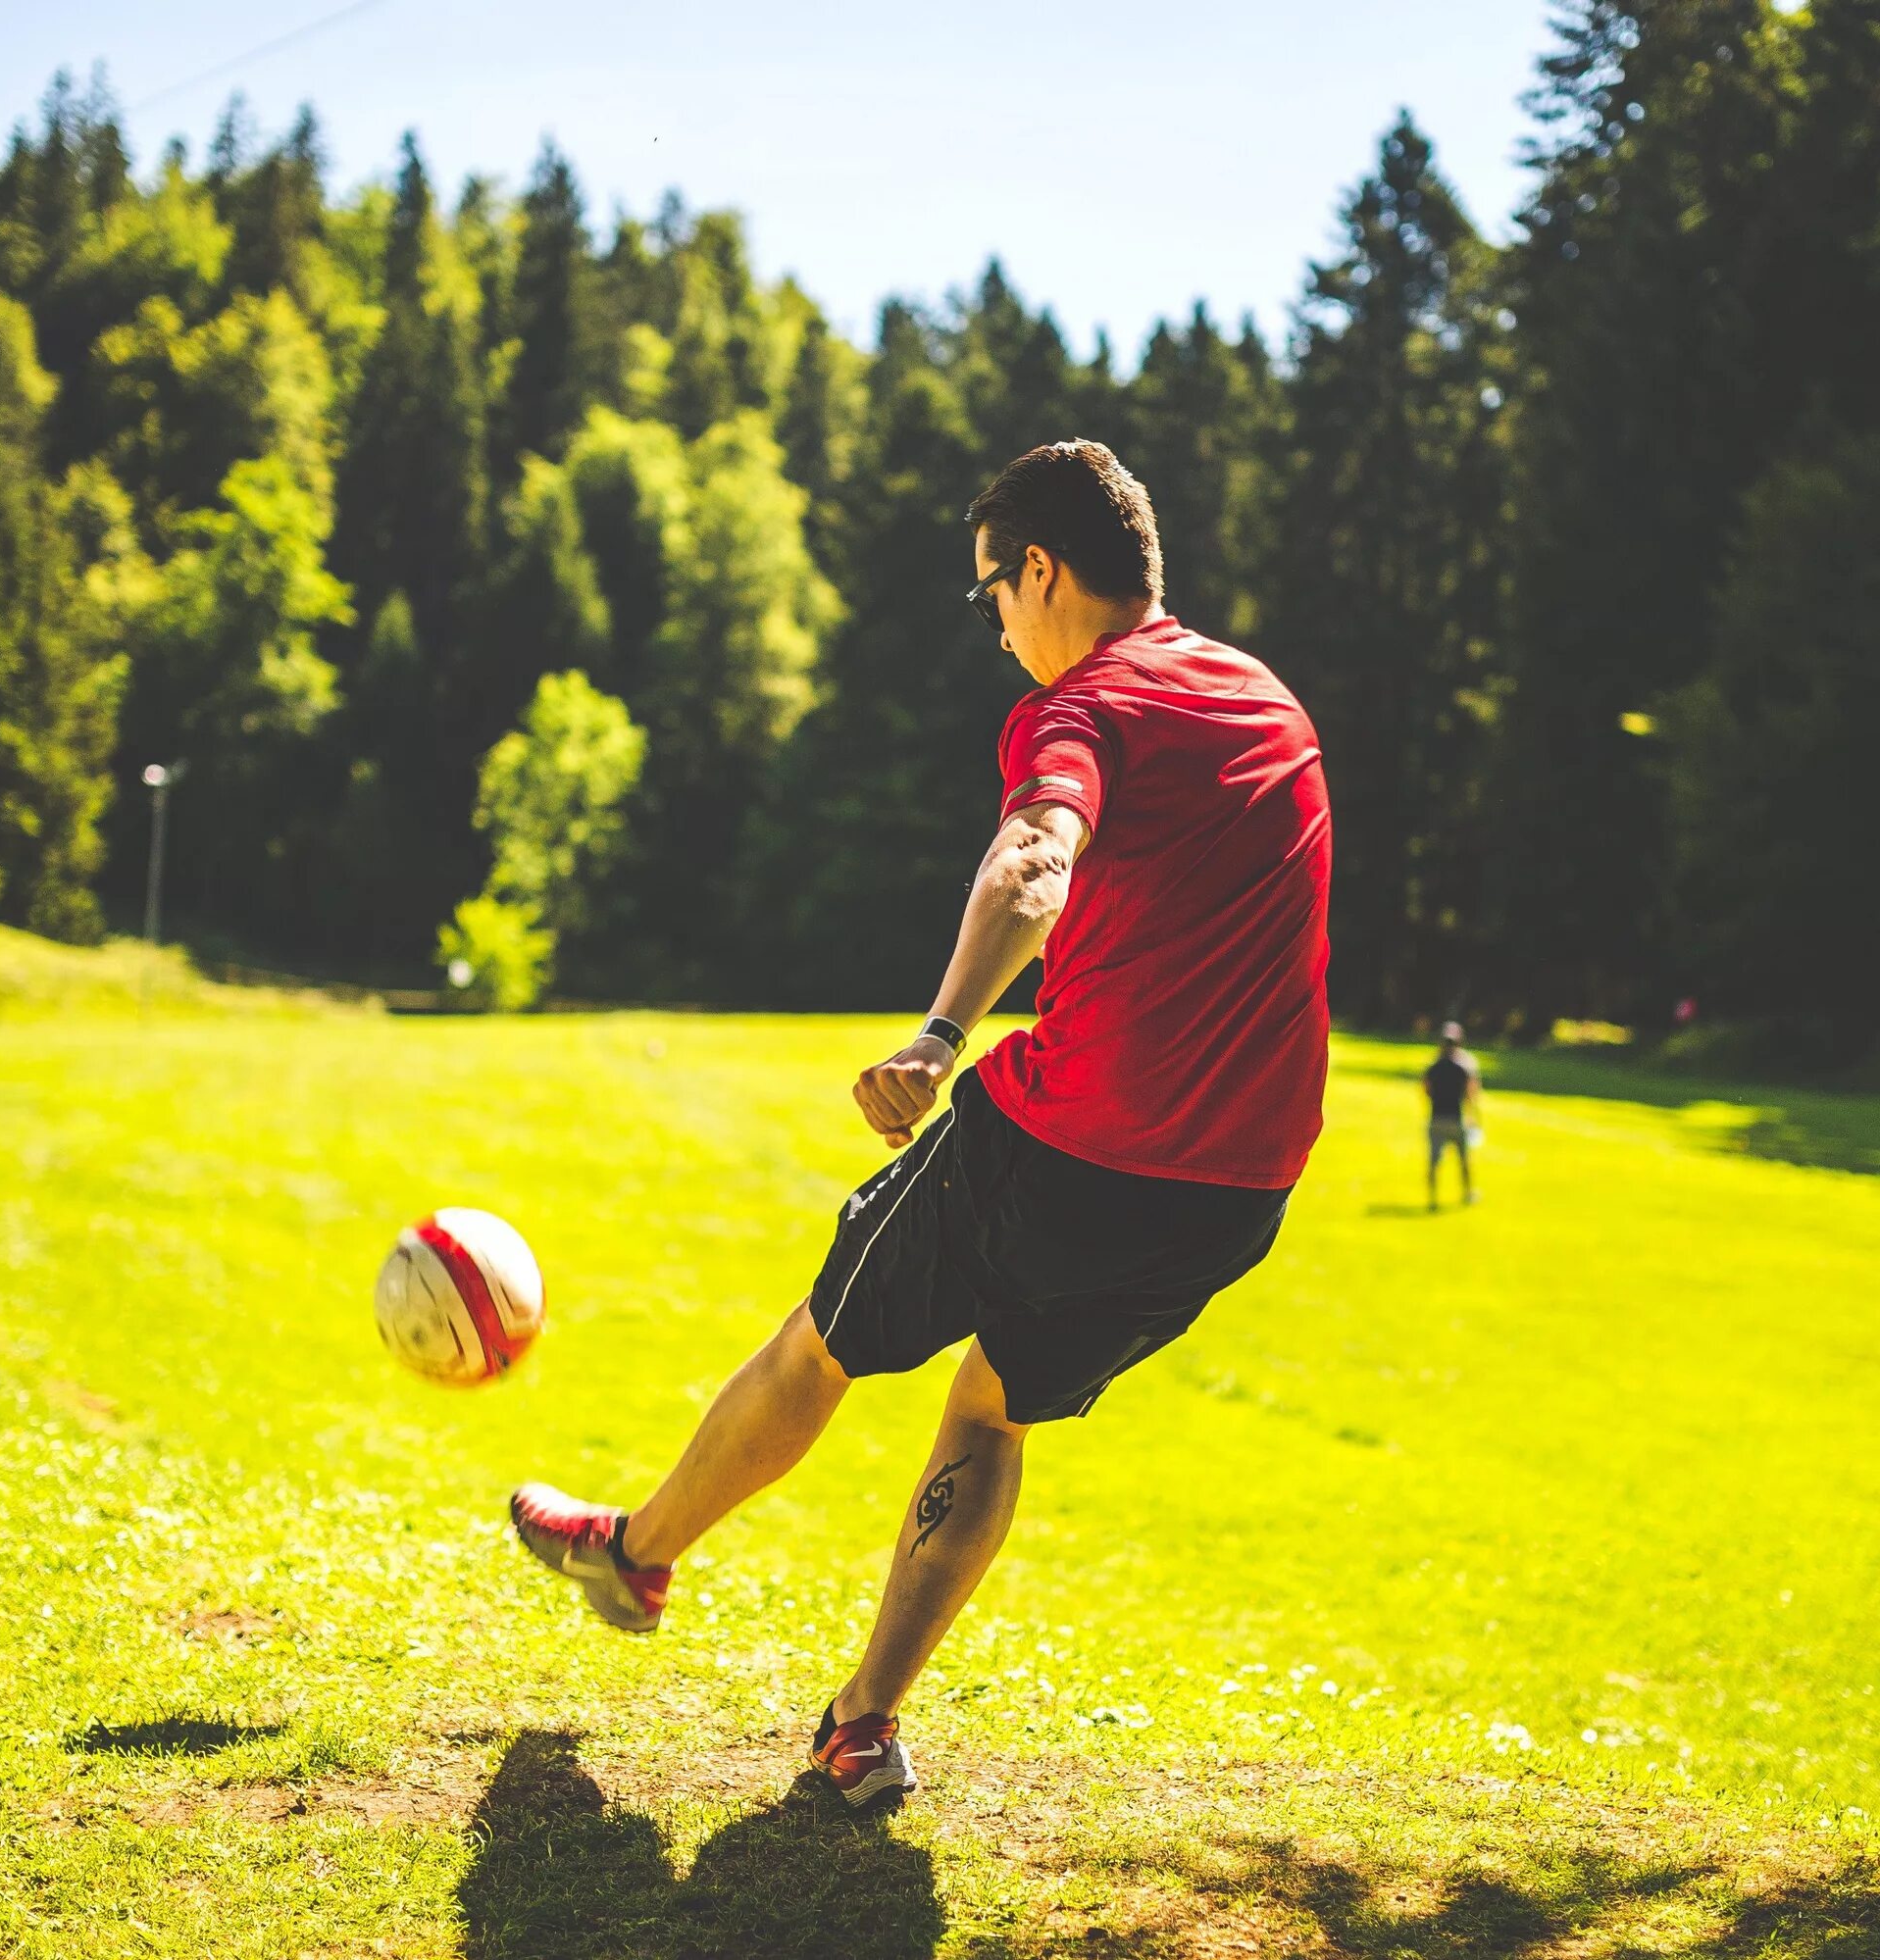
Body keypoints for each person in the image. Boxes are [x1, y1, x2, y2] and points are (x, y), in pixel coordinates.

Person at [507, 439, 1333, 1808]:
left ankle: (638, 1550)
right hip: (1235, 1193)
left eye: (993, 591)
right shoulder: (1265, 698)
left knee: (827, 1333)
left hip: (1068, 1146)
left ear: (1044, 569)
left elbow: (1035, 854)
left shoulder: (1082, 706)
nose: (997, 624)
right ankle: (862, 1723)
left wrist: (943, 1031)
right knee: (994, 1404)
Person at [1424, 1023, 1481, 1209]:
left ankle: (1432, 1199)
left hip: (1436, 1118)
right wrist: (1474, 1115)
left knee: (1434, 1162)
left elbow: (1426, 1089)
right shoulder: (1462, 1068)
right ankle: (1467, 1193)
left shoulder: (1433, 1067)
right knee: (1464, 1161)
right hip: (1456, 1119)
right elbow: (1470, 1093)